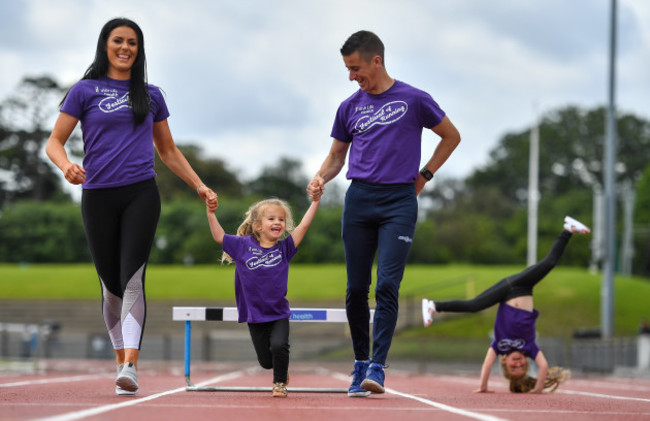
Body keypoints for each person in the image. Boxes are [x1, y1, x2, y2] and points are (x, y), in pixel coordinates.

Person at [45, 18, 218, 396]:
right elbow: (55, 141)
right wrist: (67, 165)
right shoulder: (84, 90)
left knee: (133, 279)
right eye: (118, 41)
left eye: (133, 43)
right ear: (105, 45)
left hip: (141, 193)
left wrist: (200, 185)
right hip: (97, 195)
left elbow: (168, 150)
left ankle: (130, 364)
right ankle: (120, 357)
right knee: (110, 287)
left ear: (139, 50)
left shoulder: (151, 95)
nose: (126, 48)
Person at [306, 30, 461, 397]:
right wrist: (319, 177)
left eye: (355, 68)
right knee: (356, 288)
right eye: (347, 69)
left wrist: (424, 176)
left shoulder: (414, 99)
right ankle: (360, 364)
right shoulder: (349, 107)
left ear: (377, 61)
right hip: (359, 199)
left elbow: (451, 136)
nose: (351, 76)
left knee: (388, 285)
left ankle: (378, 366)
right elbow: (335, 158)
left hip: (399, 202)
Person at [422, 216, 591, 393]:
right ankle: (567, 230)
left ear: (504, 361)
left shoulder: (499, 345)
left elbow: (487, 365)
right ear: (527, 363)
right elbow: (543, 366)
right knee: (548, 263)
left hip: (507, 289)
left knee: (473, 306)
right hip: (523, 287)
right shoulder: (530, 348)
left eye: (513, 366)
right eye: (521, 366)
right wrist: (538, 389)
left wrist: (483, 387)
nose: (517, 363)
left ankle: (434, 306)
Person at [206, 196, 320, 397]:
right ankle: (280, 370)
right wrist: (210, 212)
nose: (277, 222)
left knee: (279, 345)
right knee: (266, 362)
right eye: (271, 219)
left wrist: (315, 202)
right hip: (255, 314)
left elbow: (303, 226)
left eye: (281, 220)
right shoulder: (242, 245)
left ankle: (279, 384)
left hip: (278, 313)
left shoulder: (285, 248)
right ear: (258, 226)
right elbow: (218, 237)